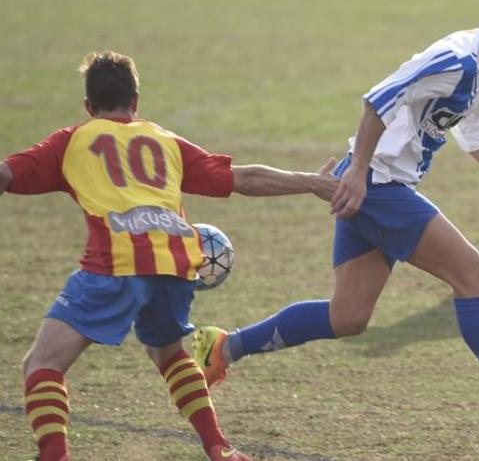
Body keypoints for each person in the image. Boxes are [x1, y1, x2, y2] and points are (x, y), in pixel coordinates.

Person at [193, 0, 479, 435]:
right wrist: (358, 171)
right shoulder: (455, 59)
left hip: (372, 182)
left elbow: (473, 129)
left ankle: (223, 348)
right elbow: (377, 99)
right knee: (473, 274)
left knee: (348, 317)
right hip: (378, 184)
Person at [0, 51, 338, 461]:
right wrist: (313, 182)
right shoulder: (165, 141)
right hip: (176, 264)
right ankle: (220, 449)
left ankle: (54, 455)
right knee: (170, 353)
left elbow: (7, 175)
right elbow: (245, 178)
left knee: (42, 363)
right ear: (136, 101)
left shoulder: (70, 141)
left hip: (116, 263)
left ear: (88, 107)